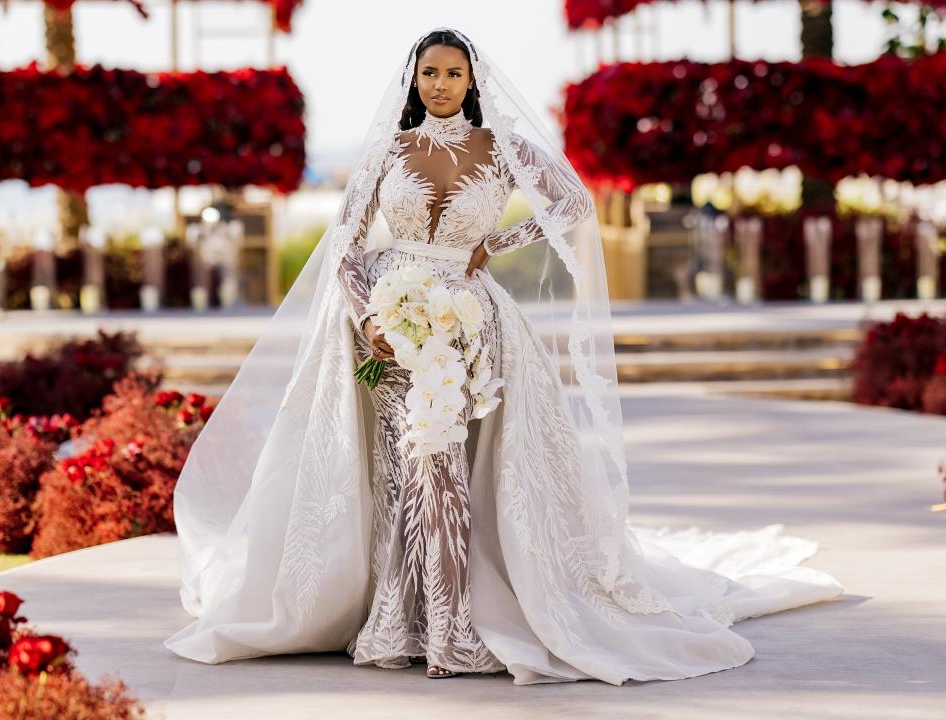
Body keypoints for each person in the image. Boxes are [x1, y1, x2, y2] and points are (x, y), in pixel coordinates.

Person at [163, 26, 843, 686]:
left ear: (472, 80)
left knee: (447, 464)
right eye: (429, 72)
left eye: (453, 72)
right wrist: (367, 314)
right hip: (387, 317)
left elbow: (573, 202)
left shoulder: (503, 145)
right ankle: (398, 620)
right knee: (402, 466)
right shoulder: (387, 151)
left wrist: (496, 244)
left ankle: (454, 626)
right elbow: (344, 242)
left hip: (468, 317)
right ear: (413, 80)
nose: (440, 83)